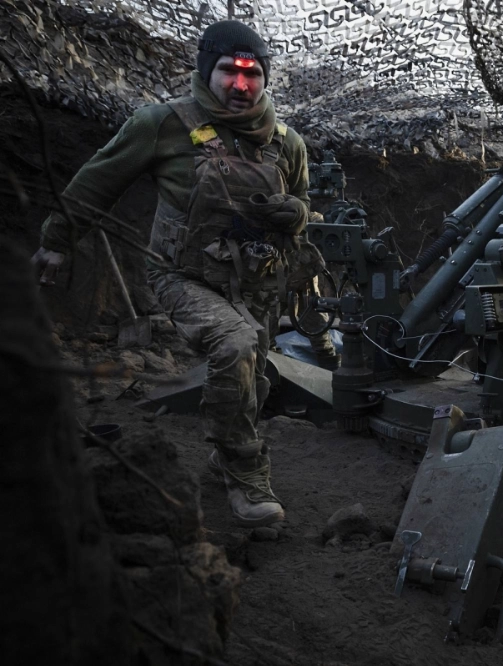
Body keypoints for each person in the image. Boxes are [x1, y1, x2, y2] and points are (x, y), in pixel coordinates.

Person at [32, 20, 326, 527]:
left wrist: (297, 214)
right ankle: (247, 476)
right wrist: (57, 241)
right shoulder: (162, 124)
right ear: (205, 70)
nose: (240, 85)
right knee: (235, 344)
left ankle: (224, 452)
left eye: (252, 74)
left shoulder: (287, 143)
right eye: (228, 71)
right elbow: (96, 181)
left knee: (251, 375)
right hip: (180, 275)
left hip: (256, 281)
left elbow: (305, 202)